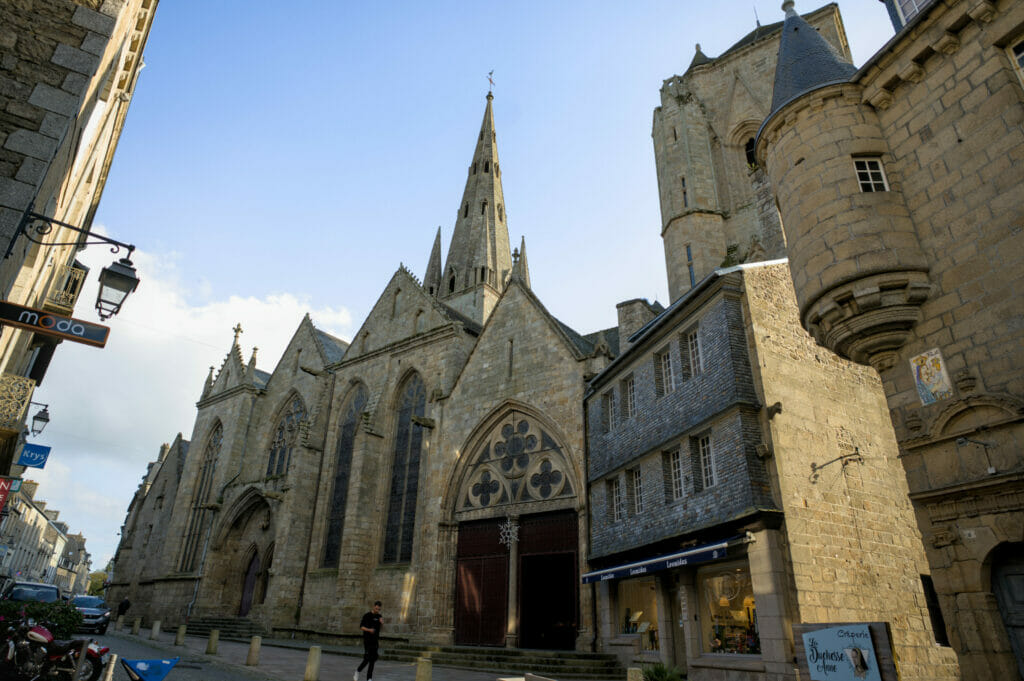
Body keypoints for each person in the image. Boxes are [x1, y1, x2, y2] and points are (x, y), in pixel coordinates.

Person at [354, 600, 383, 681]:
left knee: (372, 660)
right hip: (367, 641)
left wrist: (382, 623)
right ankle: (358, 671)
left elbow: (380, 629)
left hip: (375, 641)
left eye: (379, 609)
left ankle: (369, 678)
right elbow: (361, 627)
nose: (377, 610)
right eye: (376, 609)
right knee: (367, 659)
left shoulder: (379, 616)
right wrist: (369, 630)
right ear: (374, 607)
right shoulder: (367, 615)